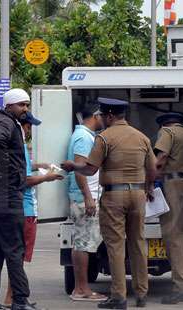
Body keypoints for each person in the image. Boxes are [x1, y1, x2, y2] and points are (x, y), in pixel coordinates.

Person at [61, 98, 157, 310]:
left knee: (116, 246)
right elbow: (153, 169)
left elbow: (90, 169)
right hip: (138, 194)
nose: (102, 120)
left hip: (115, 196)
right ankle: (142, 295)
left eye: (104, 116)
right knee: (138, 244)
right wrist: (148, 187)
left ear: (111, 116)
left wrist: (72, 166)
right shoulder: (141, 137)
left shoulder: (104, 138)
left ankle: (119, 297)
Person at [0, 89, 38, 310]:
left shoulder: (7, 121)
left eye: (27, 105)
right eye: (22, 105)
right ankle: (20, 300)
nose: (25, 109)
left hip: (0, 192)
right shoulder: (4, 123)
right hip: (5, 194)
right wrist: (9, 176)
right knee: (15, 247)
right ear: (11, 105)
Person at [3, 112, 64, 307]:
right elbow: (26, 180)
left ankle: (13, 297)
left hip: (24, 209)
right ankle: (13, 298)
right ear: (21, 126)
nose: (30, 131)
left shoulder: (20, 148)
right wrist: (48, 177)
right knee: (18, 257)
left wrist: (40, 165)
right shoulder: (18, 146)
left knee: (18, 257)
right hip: (26, 210)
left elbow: (26, 169)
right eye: (28, 127)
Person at [154, 113, 183, 304]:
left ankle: (182, 286)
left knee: (174, 234)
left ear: (164, 123)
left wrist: (151, 177)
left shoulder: (166, 132)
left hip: (174, 184)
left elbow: (161, 156)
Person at [66, 105, 106, 302]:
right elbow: (79, 169)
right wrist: (88, 197)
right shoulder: (83, 138)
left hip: (84, 197)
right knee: (83, 243)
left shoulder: (85, 135)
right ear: (96, 115)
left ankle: (81, 288)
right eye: (103, 116)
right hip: (83, 199)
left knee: (84, 242)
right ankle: (81, 289)